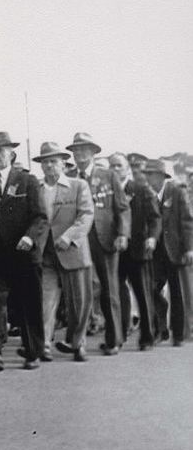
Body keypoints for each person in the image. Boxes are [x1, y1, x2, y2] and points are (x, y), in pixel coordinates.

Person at [0, 132, 47, 370]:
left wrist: (29, 237)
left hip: (22, 251)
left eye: (0, 151)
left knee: (28, 302)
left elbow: (40, 217)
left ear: (12, 154)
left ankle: (33, 351)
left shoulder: (27, 181)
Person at [66, 132, 131, 355]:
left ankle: (114, 339)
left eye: (84, 149)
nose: (79, 154)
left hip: (105, 237)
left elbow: (122, 207)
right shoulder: (68, 176)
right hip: (78, 238)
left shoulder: (108, 175)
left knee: (109, 289)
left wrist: (123, 233)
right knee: (79, 290)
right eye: (76, 150)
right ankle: (76, 341)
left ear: (93, 152)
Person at [33, 142, 95, 361]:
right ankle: (45, 344)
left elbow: (86, 215)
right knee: (45, 301)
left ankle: (78, 343)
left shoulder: (77, 186)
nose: (49, 166)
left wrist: (69, 237)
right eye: (45, 162)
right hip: (46, 254)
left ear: (62, 163)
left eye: (54, 161)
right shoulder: (37, 188)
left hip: (72, 252)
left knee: (79, 303)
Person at [145, 160, 193, 347]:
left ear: (160, 176)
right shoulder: (147, 194)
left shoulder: (177, 191)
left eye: (151, 174)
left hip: (175, 249)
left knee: (177, 292)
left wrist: (189, 248)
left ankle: (178, 333)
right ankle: (160, 328)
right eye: (147, 174)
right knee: (152, 288)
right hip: (155, 252)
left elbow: (187, 222)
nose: (148, 178)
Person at [116, 156, 161, 349]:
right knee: (116, 293)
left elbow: (155, 218)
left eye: (119, 166)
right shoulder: (106, 191)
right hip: (115, 250)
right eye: (111, 166)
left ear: (127, 170)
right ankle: (119, 334)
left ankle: (148, 336)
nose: (115, 169)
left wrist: (152, 237)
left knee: (143, 293)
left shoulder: (141, 190)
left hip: (138, 249)